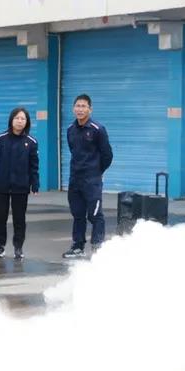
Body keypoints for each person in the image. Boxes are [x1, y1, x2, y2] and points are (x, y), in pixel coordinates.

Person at [64, 94, 112, 259]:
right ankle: (78, 246)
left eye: (83, 106)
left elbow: (107, 155)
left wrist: (97, 171)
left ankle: (97, 247)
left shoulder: (98, 129)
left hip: (92, 181)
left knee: (95, 214)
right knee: (78, 214)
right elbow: (73, 150)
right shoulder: (70, 130)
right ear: (73, 109)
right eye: (77, 106)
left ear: (90, 109)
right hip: (75, 180)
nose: (80, 109)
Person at [0, 107, 40, 260]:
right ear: (11, 120)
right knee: (1, 218)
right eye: (17, 118)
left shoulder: (31, 142)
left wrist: (35, 183)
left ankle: (18, 247)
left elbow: (34, 165)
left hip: (21, 186)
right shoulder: (0, 139)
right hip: (1, 186)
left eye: (23, 119)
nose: (19, 121)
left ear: (27, 122)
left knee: (19, 219)